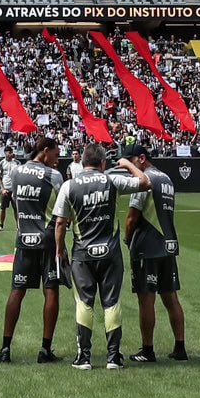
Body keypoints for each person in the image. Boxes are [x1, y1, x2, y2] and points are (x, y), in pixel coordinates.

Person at [53, 142, 147, 370]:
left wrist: (59, 250)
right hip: (110, 253)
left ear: (82, 162)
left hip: (82, 254)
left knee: (84, 303)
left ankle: (84, 357)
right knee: (111, 303)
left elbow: (59, 222)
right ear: (103, 163)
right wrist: (127, 164)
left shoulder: (69, 186)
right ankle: (113, 357)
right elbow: (145, 182)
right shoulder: (111, 180)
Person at [0, 133, 65, 364]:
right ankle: (45, 350)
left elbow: (14, 201)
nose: (57, 159)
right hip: (47, 239)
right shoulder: (53, 176)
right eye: (55, 154)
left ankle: (5, 349)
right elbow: (61, 212)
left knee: (17, 290)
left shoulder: (16, 172)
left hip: (24, 237)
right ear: (45, 151)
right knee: (51, 290)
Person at [123, 143, 187, 362]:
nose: (129, 167)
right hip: (168, 244)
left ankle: (147, 350)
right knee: (171, 298)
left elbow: (132, 217)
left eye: (130, 162)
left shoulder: (145, 180)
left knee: (146, 299)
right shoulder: (167, 178)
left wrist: (127, 239)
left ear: (141, 159)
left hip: (148, 246)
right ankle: (180, 347)